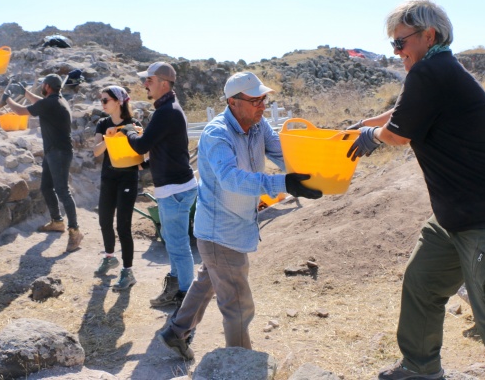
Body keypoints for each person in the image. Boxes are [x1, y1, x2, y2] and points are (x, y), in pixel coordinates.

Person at [346, 0, 485, 380]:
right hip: (455, 218)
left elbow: (398, 134)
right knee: (423, 282)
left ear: (429, 35)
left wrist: (371, 136)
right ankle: (420, 368)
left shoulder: (431, 72)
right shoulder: (435, 71)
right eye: (393, 45)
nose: (397, 52)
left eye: (400, 43)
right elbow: (403, 111)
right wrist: (362, 124)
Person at [158, 71, 322, 361]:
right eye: (255, 99)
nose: (262, 105)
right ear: (233, 102)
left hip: (228, 230)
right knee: (238, 305)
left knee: (207, 281)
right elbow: (231, 179)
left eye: (264, 98)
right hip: (221, 233)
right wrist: (284, 184)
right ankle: (240, 364)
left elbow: (283, 154)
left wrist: (313, 173)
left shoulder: (258, 126)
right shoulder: (217, 134)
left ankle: (175, 331)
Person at [108, 62, 197, 308]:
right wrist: (147, 166)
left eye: (149, 80)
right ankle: (177, 287)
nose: (145, 84)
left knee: (178, 245)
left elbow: (141, 145)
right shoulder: (168, 109)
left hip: (175, 190)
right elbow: (167, 147)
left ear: (164, 83)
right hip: (176, 188)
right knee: (173, 240)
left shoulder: (167, 111)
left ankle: (186, 296)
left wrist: (127, 129)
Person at [5, 74, 83, 253]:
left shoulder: (50, 104)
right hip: (53, 152)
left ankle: (75, 231)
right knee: (47, 187)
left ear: (47, 86)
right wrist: (25, 92)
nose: (41, 87)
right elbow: (40, 101)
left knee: (63, 191)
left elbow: (20, 111)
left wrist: (7, 98)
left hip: (59, 153)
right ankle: (57, 221)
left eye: (42, 85)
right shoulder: (57, 101)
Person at [93, 86, 140, 291]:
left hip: (128, 179)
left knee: (123, 226)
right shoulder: (103, 124)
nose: (102, 104)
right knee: (104, 220)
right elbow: (96, 152)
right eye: (101, 100)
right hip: (108, 178)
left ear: (118, 101)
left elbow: (141, 153)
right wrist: (107, 138)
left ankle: (128, 271)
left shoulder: (133, 125)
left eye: (105, 100)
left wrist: (133, 134)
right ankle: (110, 257)